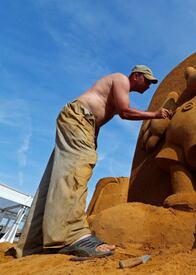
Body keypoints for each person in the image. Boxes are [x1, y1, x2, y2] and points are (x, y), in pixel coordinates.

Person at [16, 65, 171, 258]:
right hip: (79, 118)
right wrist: (155, 114)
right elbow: (125, 112)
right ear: (136, 76)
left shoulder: (116, 91)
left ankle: (33, 242)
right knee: (76, 173)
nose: (149, 86)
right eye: (147, 80)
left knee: (57, 178)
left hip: (81, 122)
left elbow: (100, 117)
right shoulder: (121, 79)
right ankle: (72, 236)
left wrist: (93, 138)